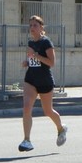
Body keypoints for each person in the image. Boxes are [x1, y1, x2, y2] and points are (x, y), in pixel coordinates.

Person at [18, 15, 67, 152]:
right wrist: (27, 62)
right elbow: (33, 61)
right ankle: (27, 140)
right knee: (26, 108)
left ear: (41, 28)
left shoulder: (46, 43)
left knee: (48, 111)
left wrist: (36, 56)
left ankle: (61, 128)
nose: (32, 28)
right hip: (31, 79)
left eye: (35, 25)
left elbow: (51, 63)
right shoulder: (30, 43)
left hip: (45, 81)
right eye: (31, 25)